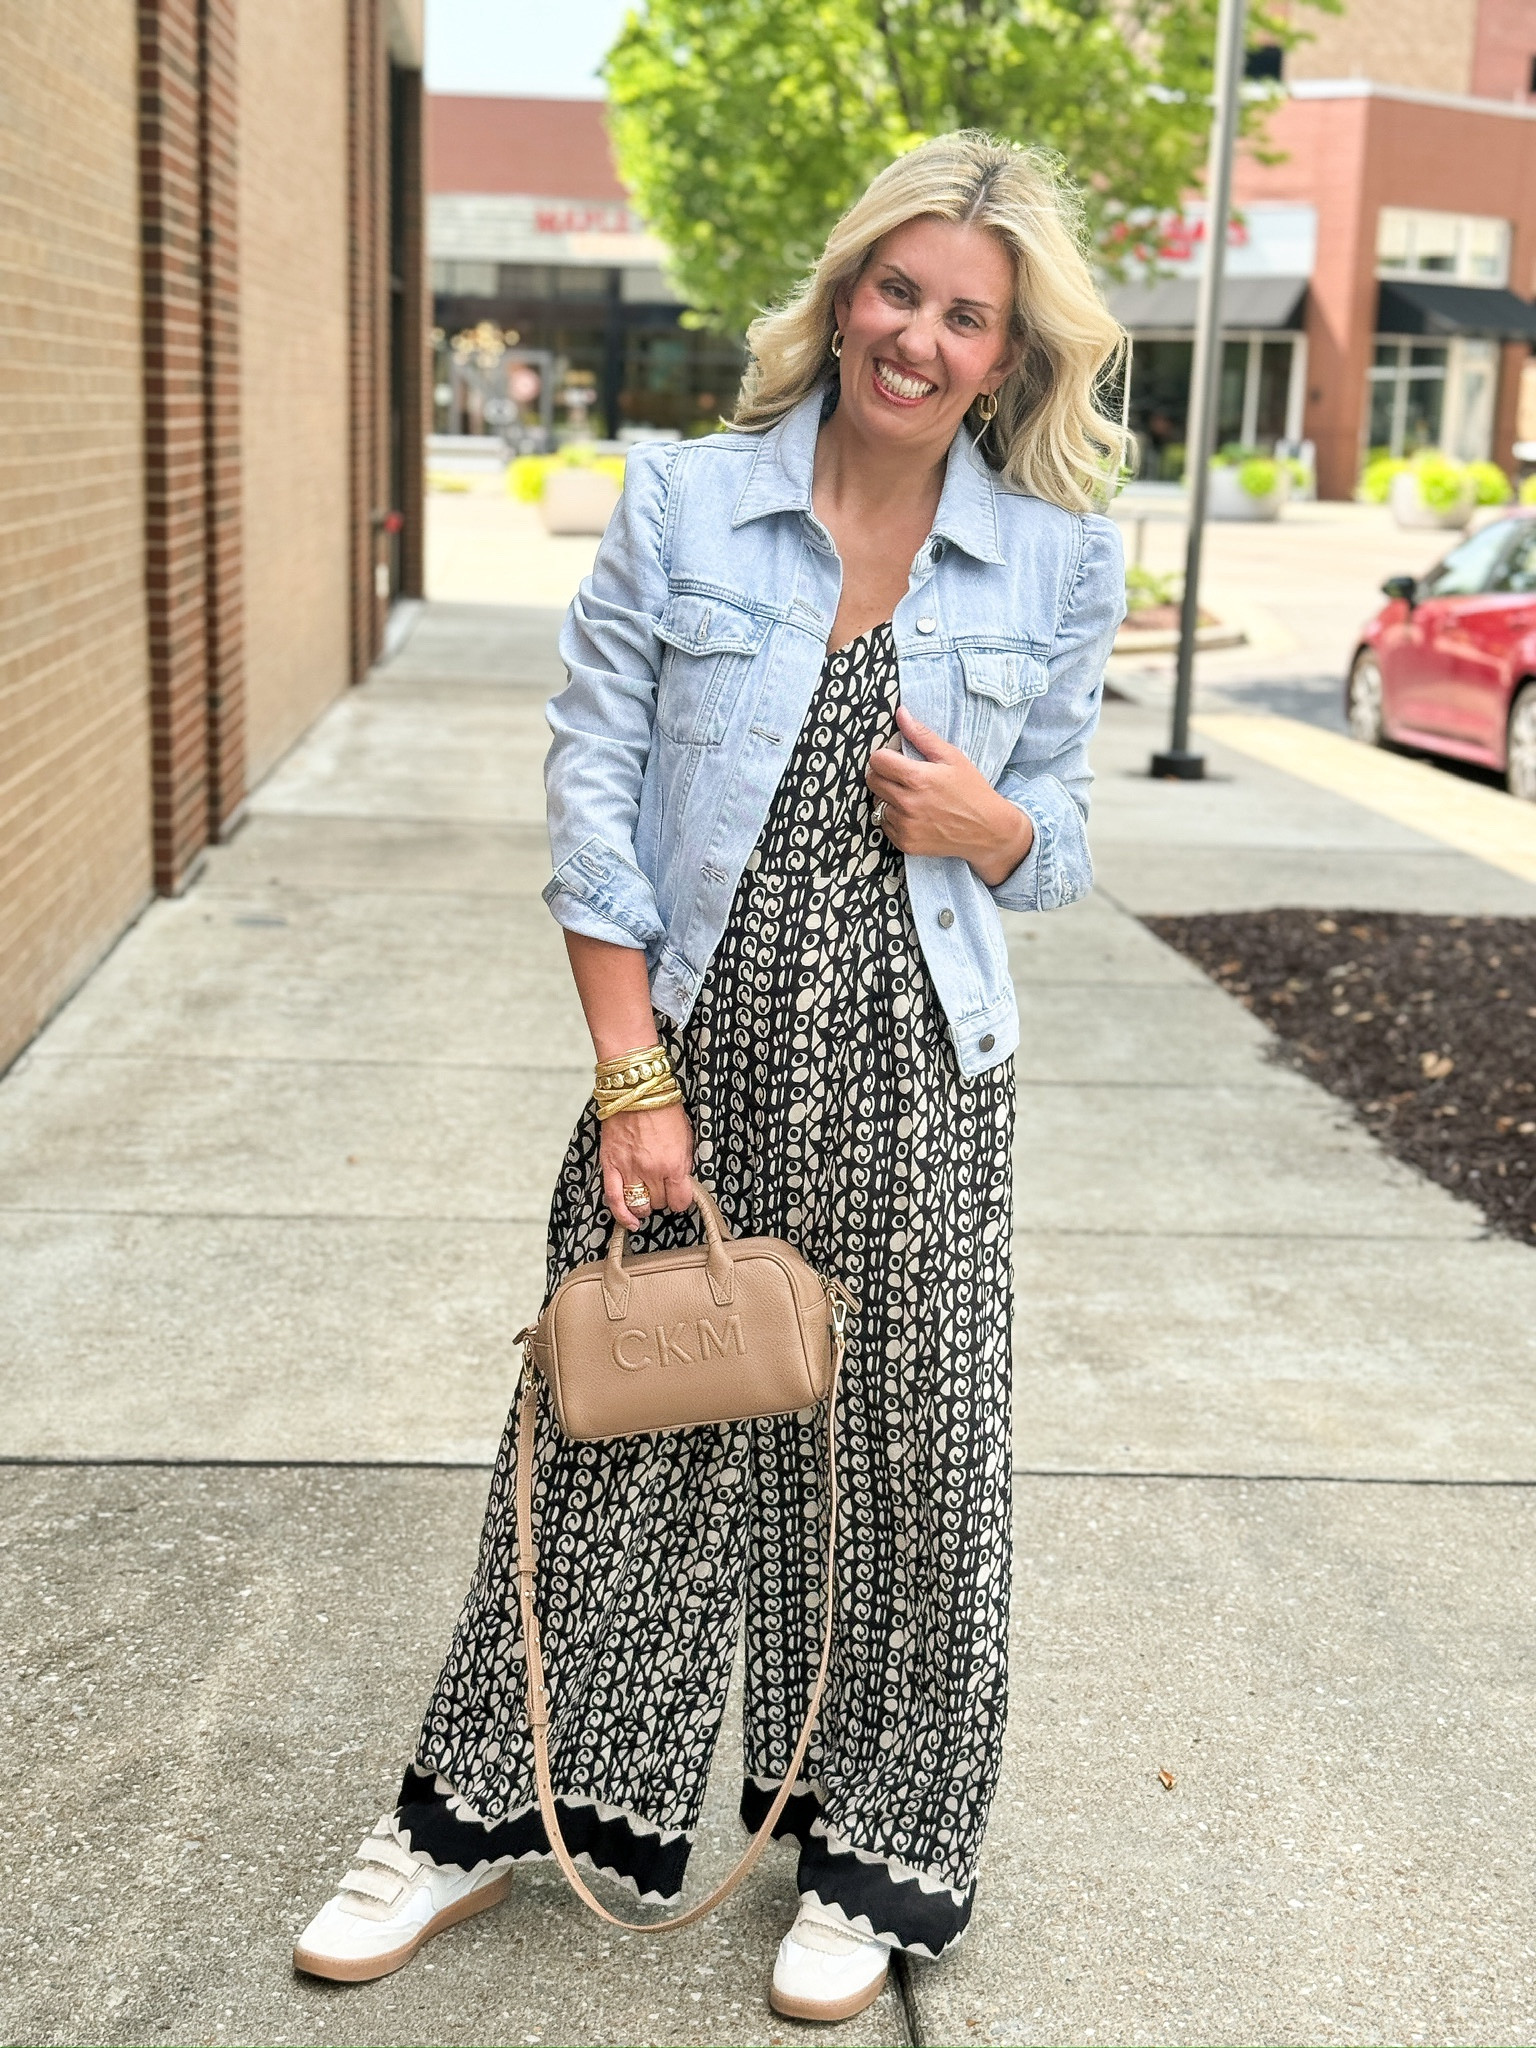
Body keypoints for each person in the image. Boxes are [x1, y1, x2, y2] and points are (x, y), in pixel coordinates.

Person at [294, 128, 1127, 2022]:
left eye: (966, 314)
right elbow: (594, 788)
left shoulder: (1058, 558)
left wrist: (993, 825)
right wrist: (627, 1077)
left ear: (1009, 357)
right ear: (844, 298)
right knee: (612, 1434)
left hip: (922, 1072)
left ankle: (872, 1852)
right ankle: (491, 1816)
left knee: (907, 1464)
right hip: (696, 1051)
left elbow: (1062, 828)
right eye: (896, 290)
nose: (919, 336)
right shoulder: (684, 503)